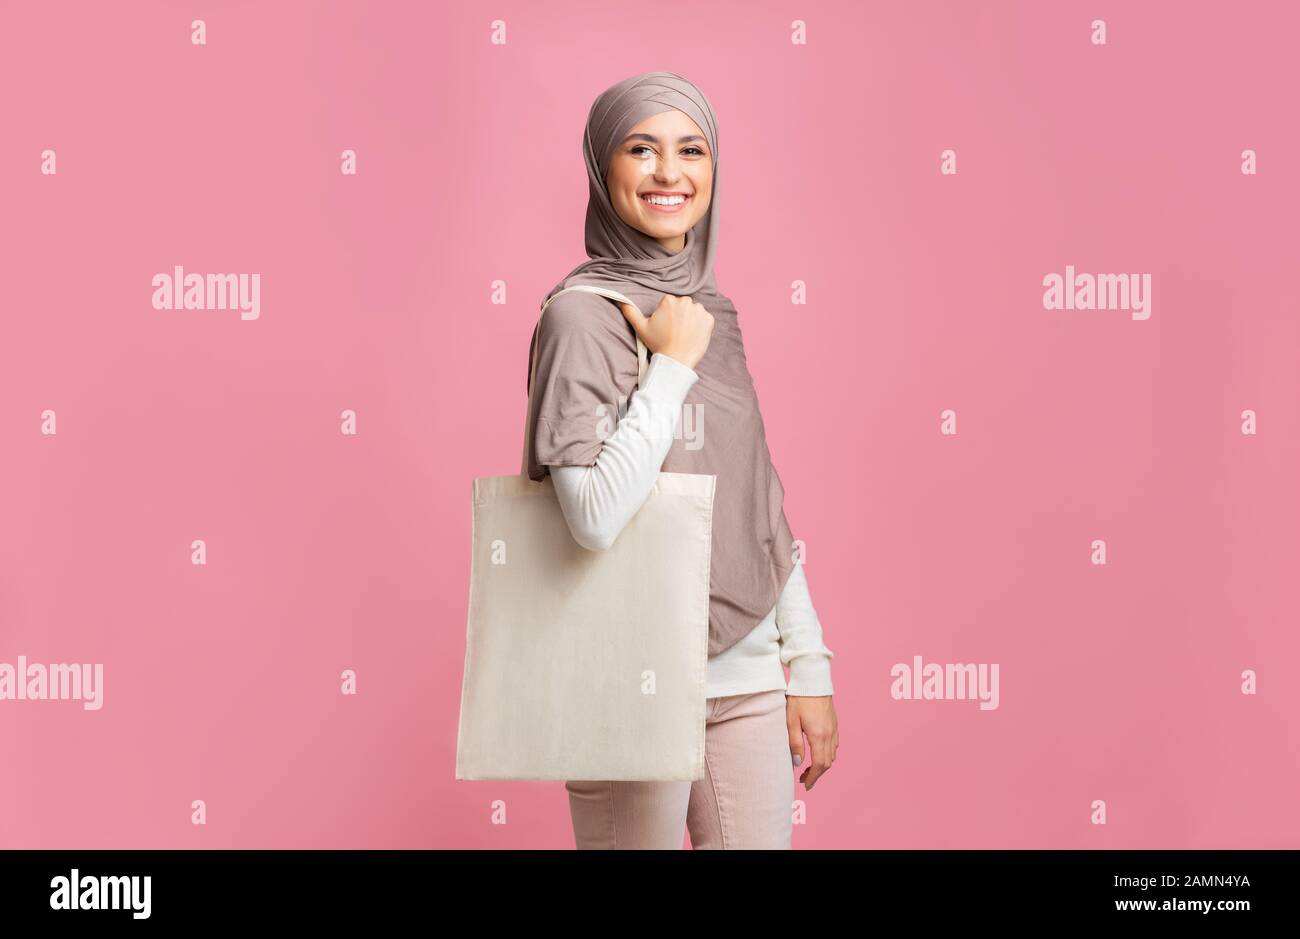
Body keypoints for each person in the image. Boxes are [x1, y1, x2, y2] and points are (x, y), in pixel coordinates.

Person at [524, 72, 839, 849]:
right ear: (604, 169)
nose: (671, 173)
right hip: (630, 673)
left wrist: (809, 662)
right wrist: (669, 369)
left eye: (691, 150)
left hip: (749, 677)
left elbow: (756, 501)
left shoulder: (708, 311)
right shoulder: (580, 316)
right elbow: (594, 519)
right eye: (642, 148)